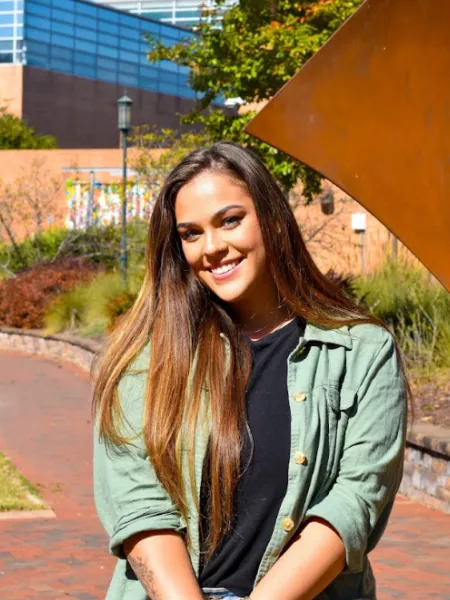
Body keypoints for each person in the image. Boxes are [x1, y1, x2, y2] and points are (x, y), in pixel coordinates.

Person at [93, 142, 408, 600]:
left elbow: (354, 501)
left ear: (272, 217)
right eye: (190, 233)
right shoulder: (143, 357)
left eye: (230, 220)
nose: (213, 247)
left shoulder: (360, 350)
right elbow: (137, 506)